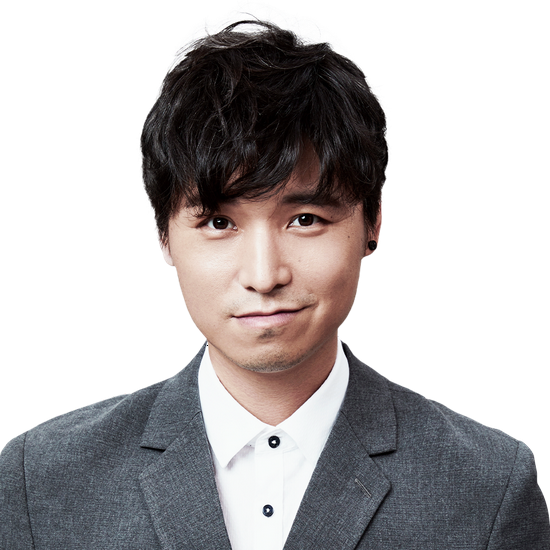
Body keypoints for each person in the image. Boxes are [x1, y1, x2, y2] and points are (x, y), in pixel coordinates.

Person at [1, 3, 548, 549]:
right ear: (163, 235)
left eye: (305, 219)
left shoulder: (488, 489)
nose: (264, 276)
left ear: (374, 222)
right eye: (219, 223)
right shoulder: (40, 480)